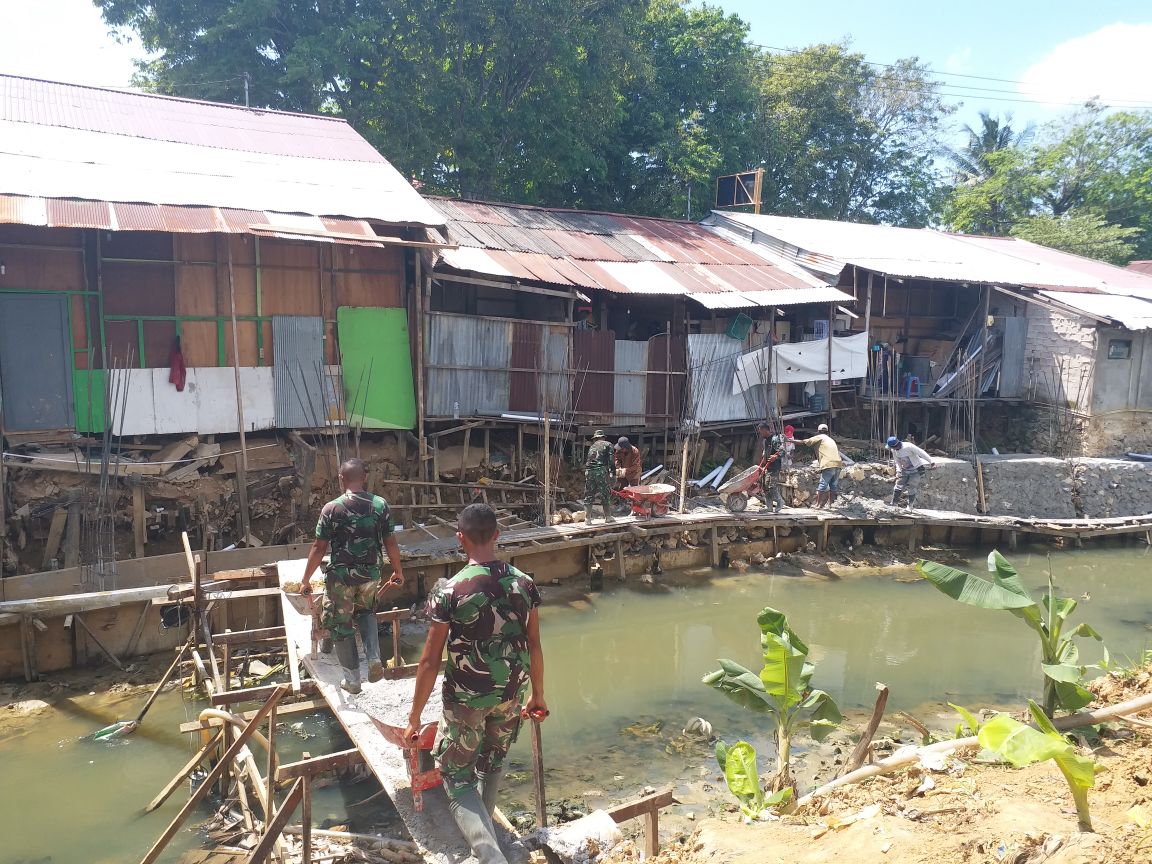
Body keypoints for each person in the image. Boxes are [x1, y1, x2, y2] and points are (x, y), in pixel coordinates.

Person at [405, 503, 546, 864]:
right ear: (498, 535)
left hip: (467, 699)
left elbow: (429, 660)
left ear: (459, 539)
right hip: (512, 693)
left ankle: (488, 854)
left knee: (455, 776)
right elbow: (534, 645)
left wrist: (414, 717)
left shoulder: (450, 591)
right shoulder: (524, 583)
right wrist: (538, 696)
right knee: (493, 761)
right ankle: (486, 840)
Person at [301, 459, 403, 694]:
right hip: (371, 574)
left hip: (342, 577)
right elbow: (391, 542)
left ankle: (353, 680)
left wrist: (306, 579)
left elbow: (319, 547)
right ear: (364, 477)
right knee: (366, 611)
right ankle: (374, 658)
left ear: (341, 479)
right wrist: (398, 571)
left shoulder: (332, 508)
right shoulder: (380, 505)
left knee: (341, 624)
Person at [790, 423, 844, 509]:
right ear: (827, 431)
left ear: (818, 431)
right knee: (833, 486)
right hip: (838, 464)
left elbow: (804, 442)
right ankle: (831, 504)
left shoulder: (820, 437)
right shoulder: (831, 439)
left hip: (828, 464)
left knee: (822, 485)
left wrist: (789, 440)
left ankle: (818, 505)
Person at [886, 436, 935, 509]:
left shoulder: (908, 446)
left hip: (916, 469)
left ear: (896, 445)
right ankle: (894, 504)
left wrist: (931, 461)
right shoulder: (894, 450)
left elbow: (921, 453)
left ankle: (910, 506)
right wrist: (899, 471)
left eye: (892, 447)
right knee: (898, 486)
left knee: (911, 487)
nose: (892, 449)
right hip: (905, 470)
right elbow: (897, 461)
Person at [584, 430, 615, 523]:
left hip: (589, 471)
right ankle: (608, 517)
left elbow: (589, 460)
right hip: (601, 471)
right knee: (605, 493)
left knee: (589, 494)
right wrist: (613, 473)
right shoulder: (608, 444)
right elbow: (611, 460)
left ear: (595, 439)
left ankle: (587, 518)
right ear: (603, 437)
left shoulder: (592, 447)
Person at [755, 422, 786, 512]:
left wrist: (775, 456)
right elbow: (766, 451)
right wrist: (764, 455)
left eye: (761, 431)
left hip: (774, 467)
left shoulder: (775, 439)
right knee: (765, 487)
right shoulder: (765, 441)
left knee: (772, 486)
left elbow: (782, 451)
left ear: (766, 430)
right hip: (767, 467)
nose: (760, 433)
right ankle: (769, 507)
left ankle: (780, 502)